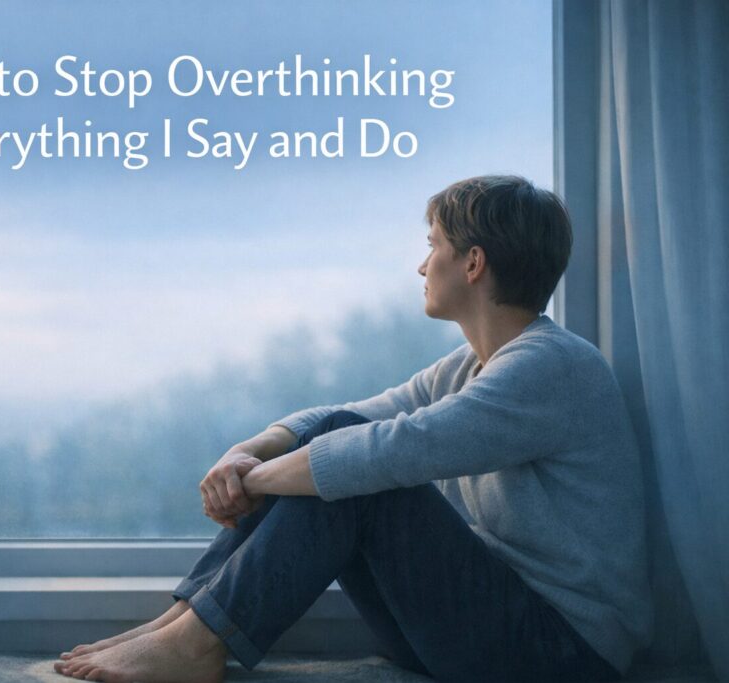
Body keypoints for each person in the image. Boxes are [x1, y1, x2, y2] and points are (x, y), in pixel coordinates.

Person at [53, 175, 653, 683]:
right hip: (483, 631)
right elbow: (352, 416)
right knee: (339, 440)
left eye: (434, 246)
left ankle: (195, 643)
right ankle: (184, 625)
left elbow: (390, 450)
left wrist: (255, 482)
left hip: (562, 654)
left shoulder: (552, 366)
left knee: (357, 471)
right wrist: (248, 451)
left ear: (473, 263)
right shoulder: (470, 367)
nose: (421, 265)